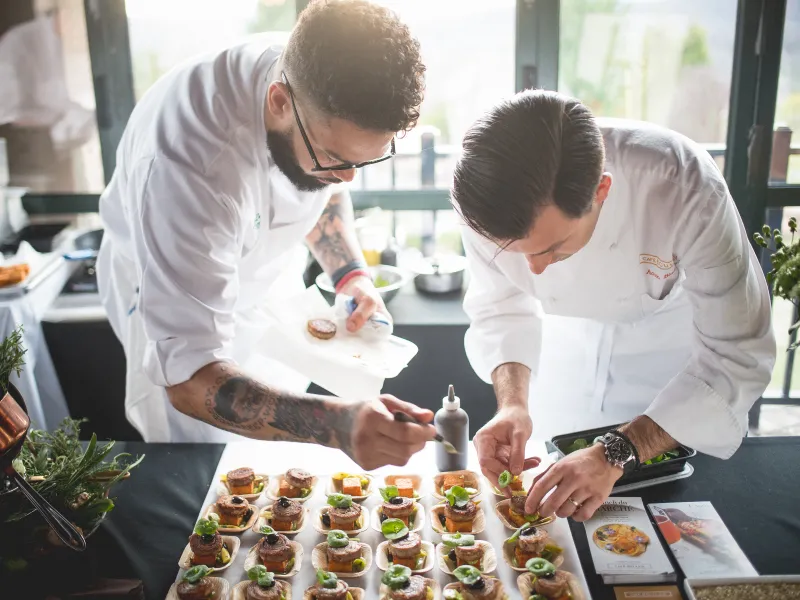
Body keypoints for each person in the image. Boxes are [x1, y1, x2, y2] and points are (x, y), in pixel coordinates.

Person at [96, 0, 434, 469]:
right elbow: (190, 379)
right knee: (207, 469)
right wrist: (335, 425)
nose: (350, 178)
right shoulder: (187, 169)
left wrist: (351, 276)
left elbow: (323, 180)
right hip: (169, 283)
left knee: (277, 461)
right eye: (338, 157)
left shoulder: (312, 88)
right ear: (279, 101)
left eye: (365, 160)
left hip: (263, 273)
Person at [451, 90, 776, 521]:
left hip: (669, 378)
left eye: (553, 247)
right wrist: (513, 403)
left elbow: (738, 352)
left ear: (602, 189)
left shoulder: (681, 184)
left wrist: (617, 450)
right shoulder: (483, 192)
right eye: (514, 252)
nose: (535, 269)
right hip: (560, 360)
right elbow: (500, 305)